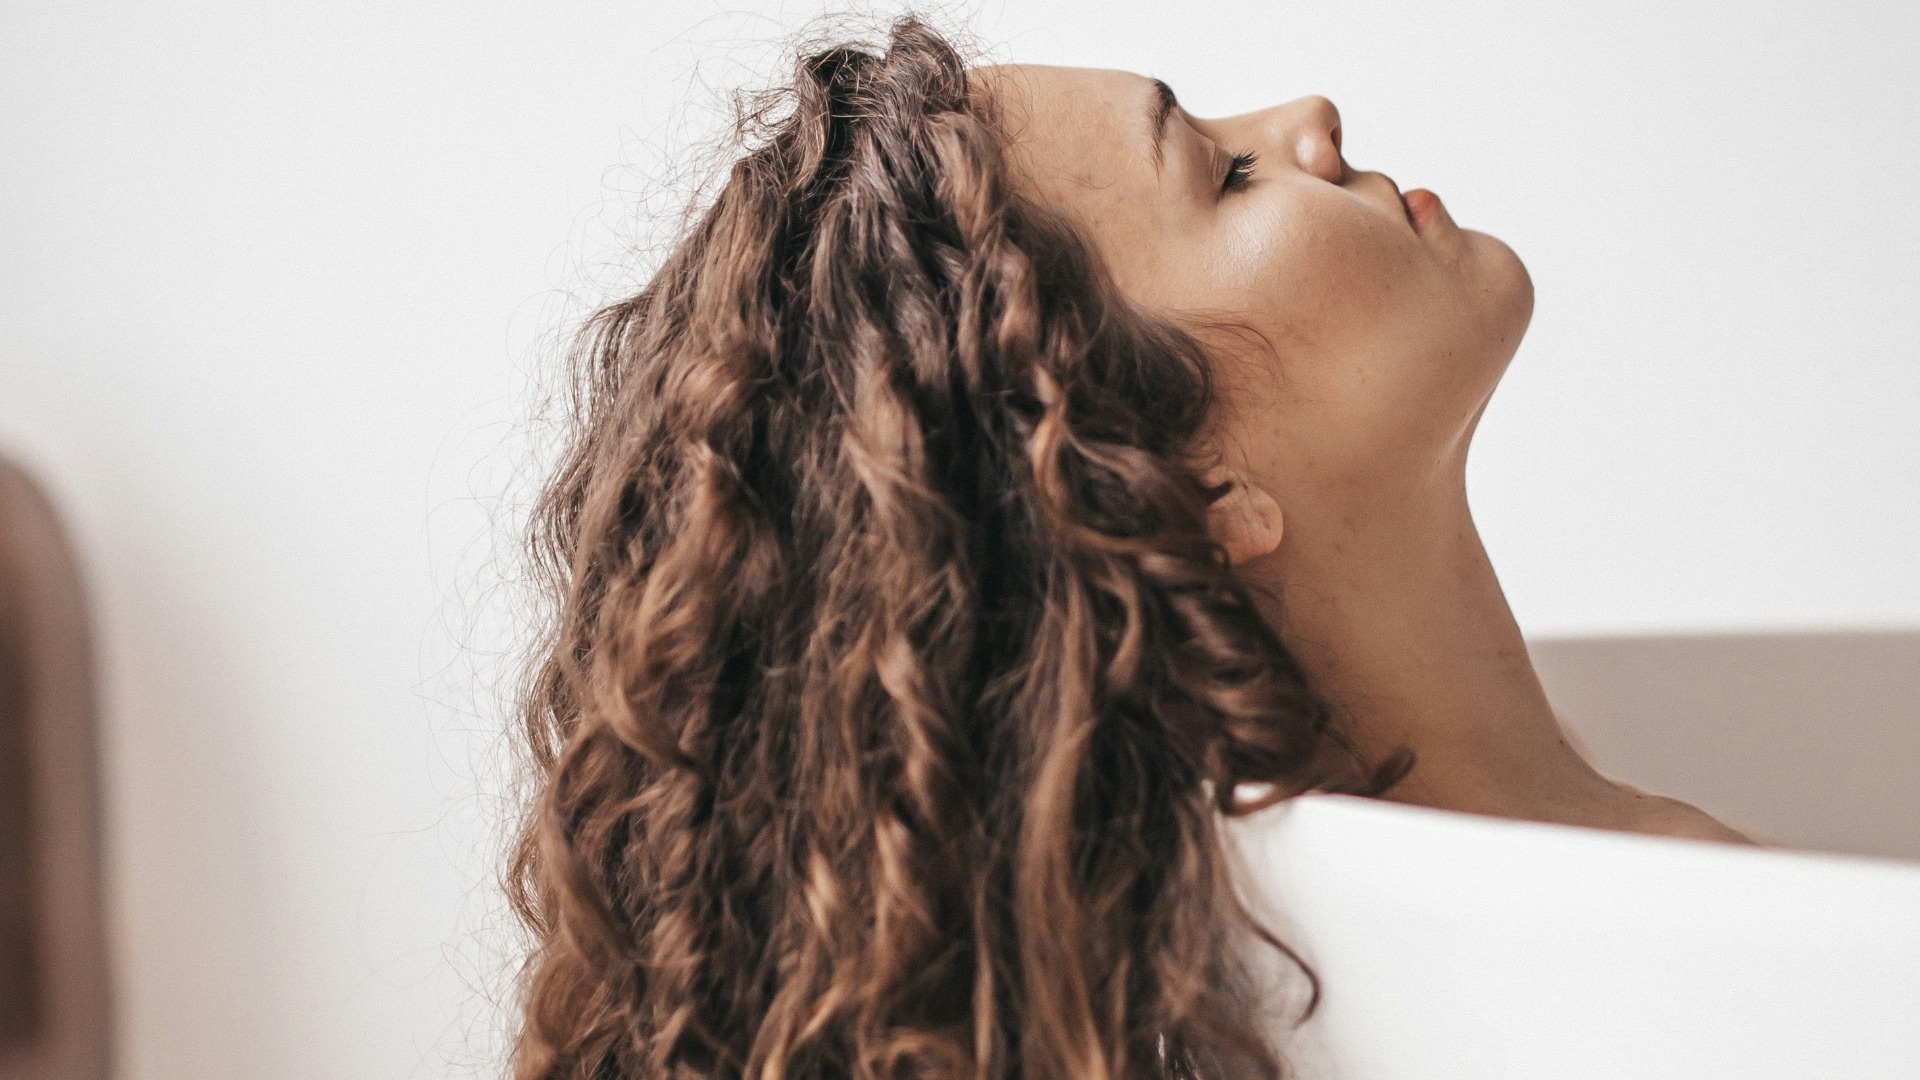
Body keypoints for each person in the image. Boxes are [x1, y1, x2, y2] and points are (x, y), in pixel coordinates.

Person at [505, 17, 1748, 1080]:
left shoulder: (1331, 960)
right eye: (1229, 177)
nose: (1311, 119)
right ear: (1187, 485)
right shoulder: (1678, 945)